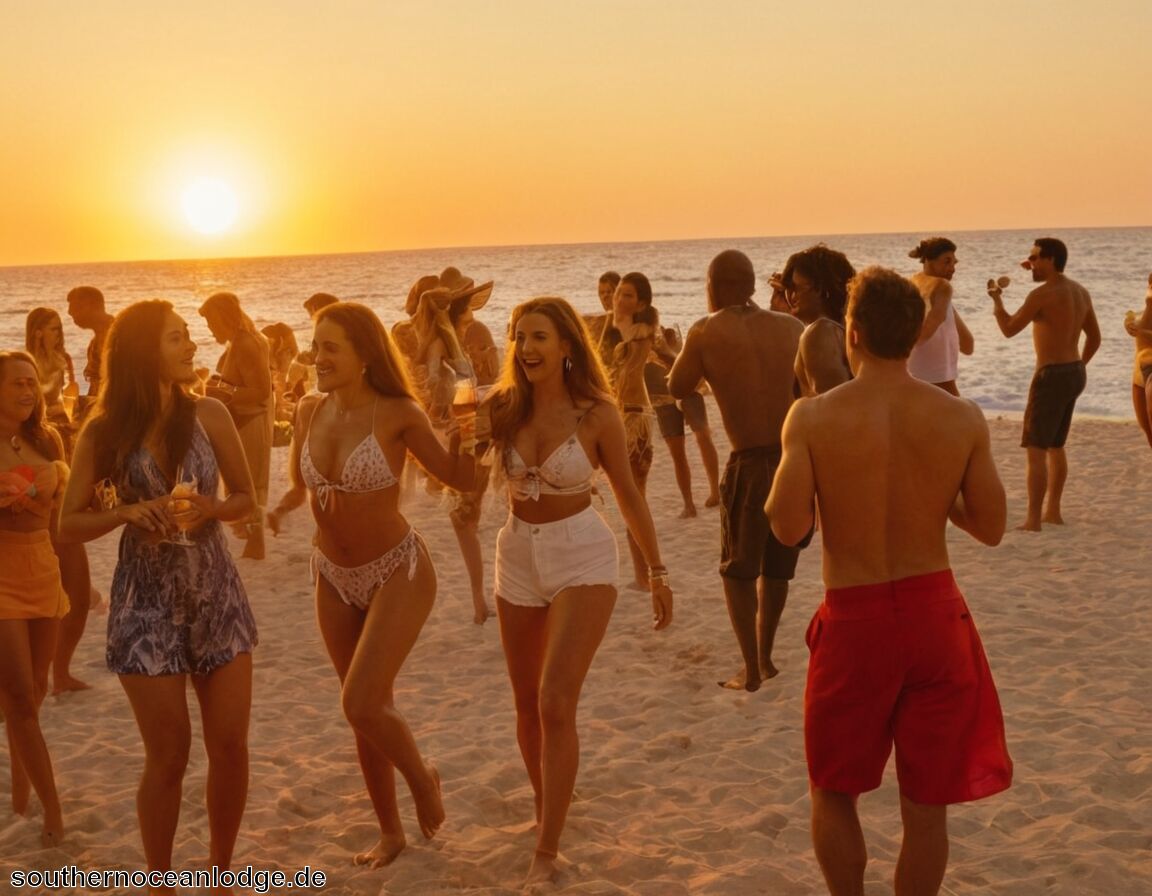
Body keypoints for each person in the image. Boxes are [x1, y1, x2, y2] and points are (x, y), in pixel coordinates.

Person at [766, 266, 1012, 896]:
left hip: (856, 621)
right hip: (936, 619)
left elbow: (789, 526)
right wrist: (933, 495)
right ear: (916, 335)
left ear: (851, 332)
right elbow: (991, 526)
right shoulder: (961, 419)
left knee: (833, 787)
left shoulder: (812, 418)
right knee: (926, 803)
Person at [57, 301, 258, 882]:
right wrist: (126, 511)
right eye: (177, 338)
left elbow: (245, 498)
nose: (191, 345)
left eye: (189, 335)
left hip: (216, 595)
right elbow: (68, 524)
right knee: (169, 756)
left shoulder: (211, 413)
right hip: (145, 605)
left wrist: (213, 509)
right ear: (146, 351)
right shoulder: (105, 429)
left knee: (230, 748)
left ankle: (222, 876)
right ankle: (161, 882)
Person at [266, 301, 472, 866]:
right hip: (331, 574)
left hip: (396, 570)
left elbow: (459, 476)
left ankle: (423, 781)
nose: (317, 356)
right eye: (315, 345)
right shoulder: (309, 409)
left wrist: (473, 433)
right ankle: (390, 832)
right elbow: (305, 485)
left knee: (359, 701)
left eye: (331, 347)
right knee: (365, 709)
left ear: (364, 355)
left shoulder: (399, 412)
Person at [486, 296, 672, 884]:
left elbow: (626, 494)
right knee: (523, 703)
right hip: (515, 556)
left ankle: (546, 850)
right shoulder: (501, 409)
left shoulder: (597, 415)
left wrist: (659, 571)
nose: (527, 348)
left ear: (567, 345)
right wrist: (458, 442)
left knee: (554, 702)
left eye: (539, 336)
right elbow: (465, 479)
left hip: (582, 558)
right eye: (519, 337)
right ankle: (549, 809)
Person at [668, 250, 804, 691]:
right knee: (778, 566)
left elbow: (676, 385)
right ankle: (766, 655)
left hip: (748, 462)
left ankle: (749, 667)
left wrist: (682, 356)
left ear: (716, 285)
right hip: (791, 457)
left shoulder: (706, 330)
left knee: (737, 571)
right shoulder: (791, 327)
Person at [987, 238, 1101, 530]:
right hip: (1074, 372)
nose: (1030, 263)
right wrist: (1078, 366)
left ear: (1050, 259)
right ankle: (1053, 512)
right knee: (1056, 445)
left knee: (1036, 447)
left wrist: (997, 301)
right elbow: (1095, 338)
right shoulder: (1080, 291)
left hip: (1050, 375)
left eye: (1035, 258)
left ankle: (1033, 519)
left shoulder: (1042, 295)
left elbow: (1009, 329)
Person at [0, 351, 67, 847]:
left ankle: (20, 792)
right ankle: (52, 810)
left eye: (32, 382)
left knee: (35, 691)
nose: (29, 391)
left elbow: (63, 513)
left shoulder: (48, 439)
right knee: (21, 696)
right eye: (17, 383)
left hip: (43, 566)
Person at [25, 308, 97, 694]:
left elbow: (72, 400)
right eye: (52, 329)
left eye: (59, 329)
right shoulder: (27, 368)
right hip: (42, 459)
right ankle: (45, 675)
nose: (58, 334)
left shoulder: (64, 360)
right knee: (51, 591)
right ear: (36, 332)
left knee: (78, 593)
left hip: (62, 448)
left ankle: (60, 672)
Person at [597, 272, 670, 589]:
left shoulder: (642, 330)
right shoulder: (611, 331)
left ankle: (646, 575)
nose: (617, 300)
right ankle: (643, 575)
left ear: (640, 302)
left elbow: (631, 357)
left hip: (636, 419)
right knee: (629, 497)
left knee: (633, 497)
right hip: (617, 417)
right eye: (615, 295)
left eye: (625, 295)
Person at [199, 291, 274, 559]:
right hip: (246, 420)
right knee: (245, 480)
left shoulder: (245, 343)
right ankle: (253, 542)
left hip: (250, 421)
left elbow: (261, 390)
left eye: (210, 322)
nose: (209, 330)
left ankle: (256, 545)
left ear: (222, 318)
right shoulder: (243, 340)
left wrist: (222, 392)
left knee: (249, 481)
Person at [446, 273, 500, 624]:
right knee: (464, 518)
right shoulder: (442, 338)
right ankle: (480, 598)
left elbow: (492, 378)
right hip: (458, 430)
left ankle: (482, 599)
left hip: (477, 430)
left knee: (466, 516)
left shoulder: (475, 333)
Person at [644, 323, 721, 517]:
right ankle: (689, 504)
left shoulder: (667, 332)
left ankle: (715, 492)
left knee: (703, 436)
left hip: (686, 389)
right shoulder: (630, 339)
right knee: (677, 451)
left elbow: (683, 357)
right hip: (659, 396)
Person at [781, 245, 856, 397]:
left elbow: (832, 403)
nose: (791, 297)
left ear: (819, 289)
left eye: (795, 288)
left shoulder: (819, 333)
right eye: (788, 290)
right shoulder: (843, 330)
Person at [907, 238, 975, 395]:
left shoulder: (913, 283)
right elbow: (932, 323)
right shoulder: (942, 286)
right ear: (929, 261)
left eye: (954, 263)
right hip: (937, 376)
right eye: (946, 262)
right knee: (961, 416)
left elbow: (967, 344)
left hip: (913, 371)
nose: (952, 268)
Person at [65, 285, 114, 422]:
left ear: (91, 305)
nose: (69, 312)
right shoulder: (94, 343)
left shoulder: (117, 337)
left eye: (75, 307)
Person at [1124, 273, 1152, 449]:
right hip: (1138, 376)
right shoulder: (1144, 312)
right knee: (1149, 434)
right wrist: (1128, 323)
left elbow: (1141, 330)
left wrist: (1142, 332)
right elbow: (1135, 323)